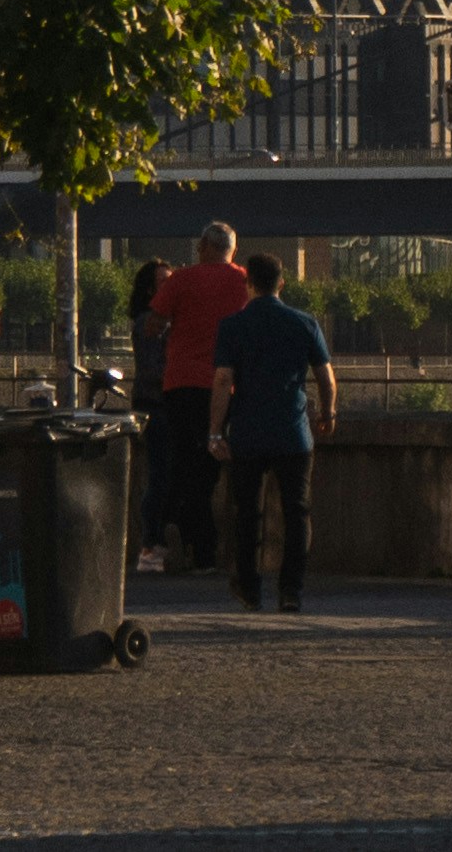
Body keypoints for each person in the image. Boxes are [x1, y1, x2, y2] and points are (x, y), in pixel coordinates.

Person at [207, 250, 337, 614]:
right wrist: (327, 412)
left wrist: (216, 432)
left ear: (248, 283)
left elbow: (222, 379)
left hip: (247, 433)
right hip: (294, 433)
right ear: (282, 282)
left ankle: (249, 588)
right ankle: (291, 591)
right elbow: (325, 377)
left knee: (247, 513)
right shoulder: (305, 323)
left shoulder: (233, 326)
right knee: (297, 513)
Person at [152, 221, 249, 573]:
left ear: (205, 246)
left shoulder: (182, 279)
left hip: (181, 384)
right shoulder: (244, 282)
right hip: (225, 388)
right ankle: (196, 544)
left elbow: (154, 322)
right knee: (208, 467)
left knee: (183, 462)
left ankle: (183, 536)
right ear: (232, 249)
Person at [127, 259, 173, 574]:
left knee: (163, 474)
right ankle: (151, 544)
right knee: (160, 475)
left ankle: (155, 543)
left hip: (158, 403)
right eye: (163, 283)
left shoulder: (158, 321)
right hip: (156, 405)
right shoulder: (150, 323)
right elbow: (150, 370)